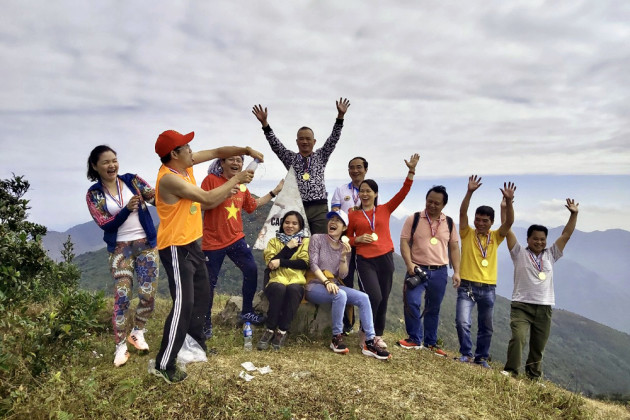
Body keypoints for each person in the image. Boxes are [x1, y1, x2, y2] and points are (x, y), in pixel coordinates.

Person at [152, 129, 264, 384]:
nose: (192, 151)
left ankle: (195, 345)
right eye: (186, 147)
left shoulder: (184, 166)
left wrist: (246, 151)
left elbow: (215, 152)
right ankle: (164, 362)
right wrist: (237, 179)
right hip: (174, 247)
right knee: (184, 304)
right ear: (174, 153)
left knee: (201, 297)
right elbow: (206, 197)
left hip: (191, 243)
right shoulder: (169, 179)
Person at [86, 145, 159, 367]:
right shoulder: (94, 194)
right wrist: (127, 209)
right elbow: (104, 223)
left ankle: (137, 331)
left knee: (148, 292)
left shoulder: (132, 181)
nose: (112, 165)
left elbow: (157, 199)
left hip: (145, 244)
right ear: (95, 166)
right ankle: (120, 346)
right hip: (120, 249)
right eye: (106, 162)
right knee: (123, 295)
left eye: (114, 160)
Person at [200, 155, 284, 338]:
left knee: (251, 270)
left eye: (239, 160)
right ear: (221, 163)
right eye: (231, 159)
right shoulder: (211, 180)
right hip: (213, 242)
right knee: (209, 283)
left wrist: (275, 191)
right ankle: (204, 323)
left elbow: (252, 206)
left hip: (236, 239)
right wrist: (224, 193)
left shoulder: (242, 187)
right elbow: (203, 204)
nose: (236, 163)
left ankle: (246, 311)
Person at [346, 153, 420, 350]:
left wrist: (411, 171)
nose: (365, 193)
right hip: (364, 261)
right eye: (362, 190)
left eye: (369, 191)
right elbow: (345, 239)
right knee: (373, 297)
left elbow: (403, 192)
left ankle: (377, 335)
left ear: (375, 194)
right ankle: (365, 333)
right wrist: (357, 239)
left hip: (385, 258)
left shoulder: (385, 209)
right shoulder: (353, 214)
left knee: (384, 298)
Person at [502, 199, 579, 380]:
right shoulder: (518, 252)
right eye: (535, 239)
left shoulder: (551, 254)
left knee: (538, 345)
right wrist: (506, 205)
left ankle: (533, 376)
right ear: (528, 239)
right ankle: (511, 371)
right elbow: (507, 228)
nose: (539, 242)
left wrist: (574, 214)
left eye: (542, 239)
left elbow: (566, 235)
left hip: (544, 307)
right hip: (521, 305)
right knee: (518, 338)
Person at [251, 98, 351, 234]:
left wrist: (340, 116)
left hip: (319, 209)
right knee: (298, 246)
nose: (305, 141)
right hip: (297, 208)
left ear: (314, 141)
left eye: (308, 139)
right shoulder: (290, 158)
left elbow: (333, 138)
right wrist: (264, 123)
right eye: (301, 139)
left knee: (321, 241)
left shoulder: (321, 156)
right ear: (297, 141)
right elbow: (275, 145)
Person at [306, 210, 391, 360]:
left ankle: (369, 341)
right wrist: (326, 282)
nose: (333, 222)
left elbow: (343, 274)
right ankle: (336, 337)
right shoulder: (317, 238)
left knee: (364, 297)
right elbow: (313, 264)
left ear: (344, 228)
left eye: (338, 221)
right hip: (314, 284)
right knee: (340, 294)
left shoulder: (345, 247)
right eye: (331, 219)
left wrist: (344, 257)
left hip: (334, 284)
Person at [456, 175, 515, 367]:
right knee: (462, 322)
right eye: (478, 220)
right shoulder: (466, 233)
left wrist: (507, 202)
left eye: (485, 221)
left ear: (491, 222)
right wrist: (469, 192)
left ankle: (481, 358)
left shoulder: (496, 237)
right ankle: (466, 354)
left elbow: (509, 223)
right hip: (466, 286)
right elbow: (462, 213)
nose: (481, 223)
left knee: (486, 327)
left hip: (489, 288)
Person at [397, 185, 461, 356]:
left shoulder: (449, 223)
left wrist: (457, 272)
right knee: (412, 302)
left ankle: (430, 343)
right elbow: (404, 242)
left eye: (436, 203)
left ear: (443, 205)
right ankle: (414, 338)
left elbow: (454, 248)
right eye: (429, 201)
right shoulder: (414, 218)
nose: (432, 205)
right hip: (416, 268)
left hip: (440, 271)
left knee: (433, 307)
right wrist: (409, 264)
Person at [257, 211, 310, 350]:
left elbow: (304, 263)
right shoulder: (274, 241)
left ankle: (282, 331)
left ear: (300, 226)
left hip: (296, 280)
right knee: (279, 288)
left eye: (294, 223)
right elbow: (271, 264)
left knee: (293, 290)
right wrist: (288, 248)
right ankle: (270, 328)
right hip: (276, 279)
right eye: (287, 222)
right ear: (282, 224)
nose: (290, 226)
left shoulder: (305, 242)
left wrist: (281, 261)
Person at [330, 156, 368, 334]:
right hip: (345, 240)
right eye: (351, 167)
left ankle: (365, 325)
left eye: (358, 167)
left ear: (365, 170)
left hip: (364, 241)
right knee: (345, 279)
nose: (355, 170)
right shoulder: (341, 189)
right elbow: (335, 212)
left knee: (365, 282)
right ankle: (347, 323)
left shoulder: (370, 190)